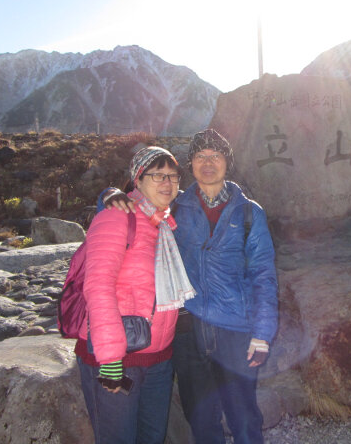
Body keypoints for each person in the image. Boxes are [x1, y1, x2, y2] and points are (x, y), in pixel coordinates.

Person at [101, 129, 278, 444]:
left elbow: (263, 274)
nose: (207, 163)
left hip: (235, 329)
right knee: (201, 420)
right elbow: (137, 201)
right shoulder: (175, 207)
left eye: (215, 156)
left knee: (245, 419)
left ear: (228, 162)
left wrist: (263, 332)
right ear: (191, 163)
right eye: (200, 156)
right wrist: (109, 194)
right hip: (188, 330)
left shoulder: (250, 212)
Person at [77, 146, 195, 444]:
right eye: (158, 175)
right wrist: (111, 358)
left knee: (151, 438)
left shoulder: (165, 223)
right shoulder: (117, 217)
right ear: (138, 180)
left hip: (157, 359)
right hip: (118, 358)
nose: (167, 183)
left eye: (173, 176)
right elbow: (98, 286)